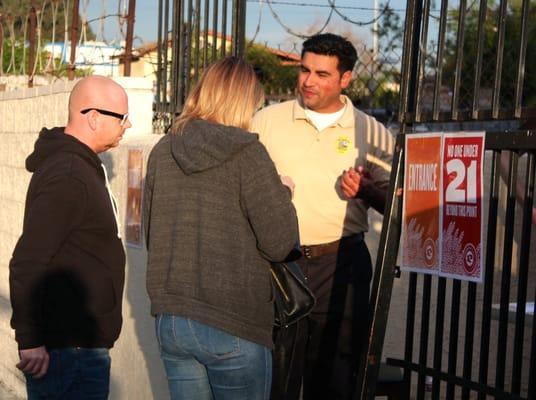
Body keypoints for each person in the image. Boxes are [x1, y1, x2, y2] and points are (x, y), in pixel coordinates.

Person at [143, 56, 299, 400]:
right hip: (233, 321)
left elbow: (153, 235)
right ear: (244, 101)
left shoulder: (161, 151)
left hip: (173, 319)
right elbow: (280, 244)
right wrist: (283, 194)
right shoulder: (248, 153)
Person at [251, 33, 394, 400]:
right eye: (304, 70)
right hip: (279, 265)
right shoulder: (265, 122)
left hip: (341, 264)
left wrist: (366, 190)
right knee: (275, 373)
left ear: (345, 79)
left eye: (322, 74)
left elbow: (396, 203)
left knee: (335, 375)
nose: (308, 81)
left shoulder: (372, 132)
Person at [9, 76, 131, 399]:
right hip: (69, 354)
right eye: (122, 117)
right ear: (93, 117)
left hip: (77, 349)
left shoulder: (78, 168)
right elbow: (28, 261)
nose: (128, 125)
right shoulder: (69, 175)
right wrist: (30, 339)